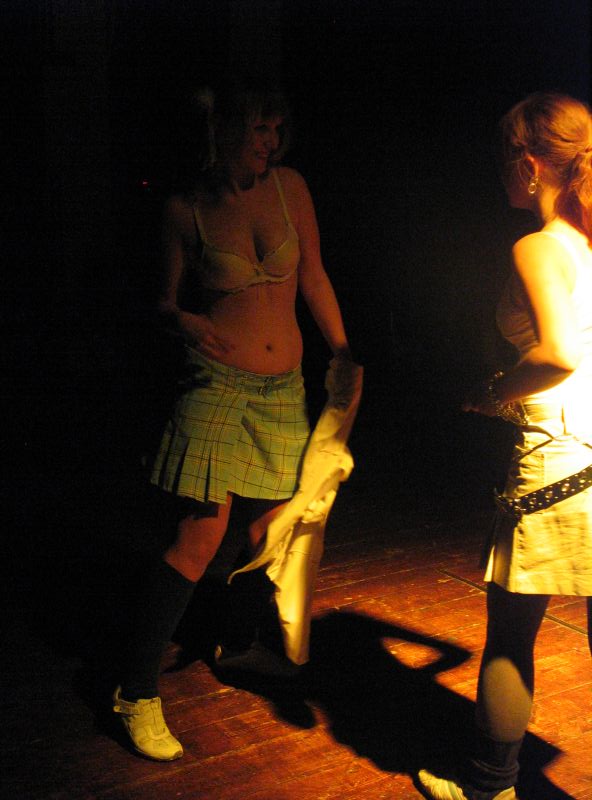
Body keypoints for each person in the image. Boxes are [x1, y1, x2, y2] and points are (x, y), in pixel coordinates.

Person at [112, 79, 353, 761]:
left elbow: (314, 276)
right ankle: (135, 692)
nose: (270, 143)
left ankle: (238, 643)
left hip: (283, 388)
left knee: (268, 524)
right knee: (201, 534)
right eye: (258, 130)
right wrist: (185, 320)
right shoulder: (185, 209)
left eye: (277, 129)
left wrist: (343, 351)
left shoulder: (290, 188)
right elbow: (162, 301)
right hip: (217, 382)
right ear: (223, 131)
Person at [418, 92, 592, 799]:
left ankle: (490, 787)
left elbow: (557, 354)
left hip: (561, 457)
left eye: (502, 158)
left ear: (529, 165)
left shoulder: (540, 247)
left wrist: (491, 391)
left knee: (513, 632)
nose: (499, 172)